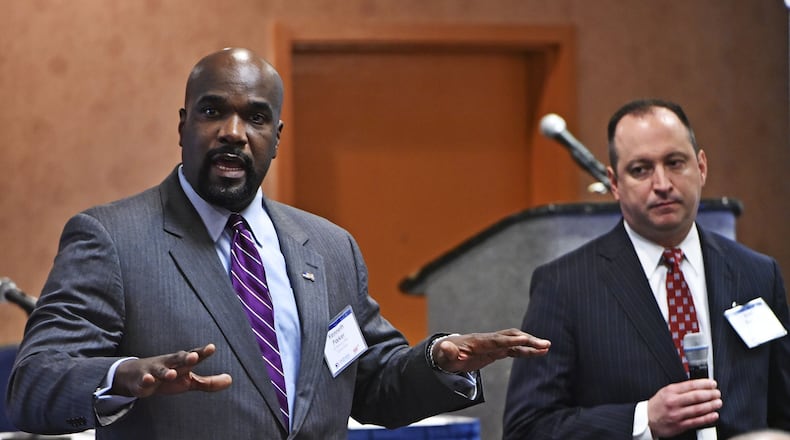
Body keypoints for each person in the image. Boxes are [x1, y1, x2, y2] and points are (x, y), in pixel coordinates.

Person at [6, 47, 551, 439]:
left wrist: (440, 361)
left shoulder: (330, 246)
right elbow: (33, 383)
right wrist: (120, 377)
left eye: (256, 117)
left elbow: (369, 382)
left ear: (276, 138)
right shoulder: (112, 238)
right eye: (213, 111)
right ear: (183, 125)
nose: (233, 132)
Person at [503, 98, 790, 439]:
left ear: (701, 167)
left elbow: (782, 412)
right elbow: (527, 429)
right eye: (641, 170)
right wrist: (643, 420)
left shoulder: (757, 273)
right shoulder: (564, 285)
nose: (663, 183)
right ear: (614, 183)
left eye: (675, 163)